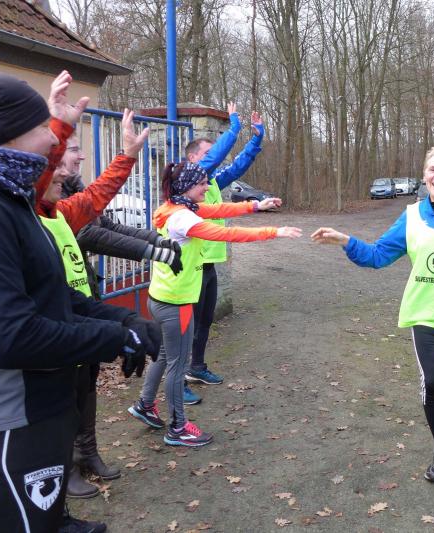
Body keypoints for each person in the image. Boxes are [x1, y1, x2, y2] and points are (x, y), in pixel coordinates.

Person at [0, 72, 158, 533]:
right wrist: (114, 338)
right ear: (9, 135)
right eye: (42, 128)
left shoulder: (11, 200)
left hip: (38, 406)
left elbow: (52, 293)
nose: (53, 139)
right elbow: (10, 337)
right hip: (5, 420)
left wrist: (125, 320)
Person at [311, 145, 434, 483]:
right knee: (433, 383)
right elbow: (377, 255)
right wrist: (346, 241)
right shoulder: (412, 216)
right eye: (433, 169)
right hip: (424, 313)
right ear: (424, 175)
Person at [128, 161, 301, 447]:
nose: (207, 187)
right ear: (187, 186)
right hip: (177, 303)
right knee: (177, 365)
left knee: (165, 355)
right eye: (201, 184)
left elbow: (219, 210)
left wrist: (256, 206)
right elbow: (225, 233)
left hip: (160, 296)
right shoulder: (183, 219)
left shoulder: (176, 208)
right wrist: (273, 231)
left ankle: (145, 405)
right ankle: (178, 428)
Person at [38, 108, 163, 500]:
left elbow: (96, 206)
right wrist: (151, 249)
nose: (78, 157)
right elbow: (96, 232)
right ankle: (66, 467)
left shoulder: (61, 206)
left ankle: (87, 452)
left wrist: (127, 156)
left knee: (86, 388)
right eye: (70, 149)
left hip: (82, 305)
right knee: (63, 399)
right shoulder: (29, 213)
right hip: (58, 321)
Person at [181, 104, 265, 405]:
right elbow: (218, 156)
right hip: (191, 265)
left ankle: (197, 367)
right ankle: (177, 380)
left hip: (209, 263)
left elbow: (238, 166)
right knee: (185, 327)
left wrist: (256, 138)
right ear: (193, 159)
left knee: (205, 321)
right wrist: (234, 127)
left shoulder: (211, 182)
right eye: (207, 153)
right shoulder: (187, 180)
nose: (213, 157)